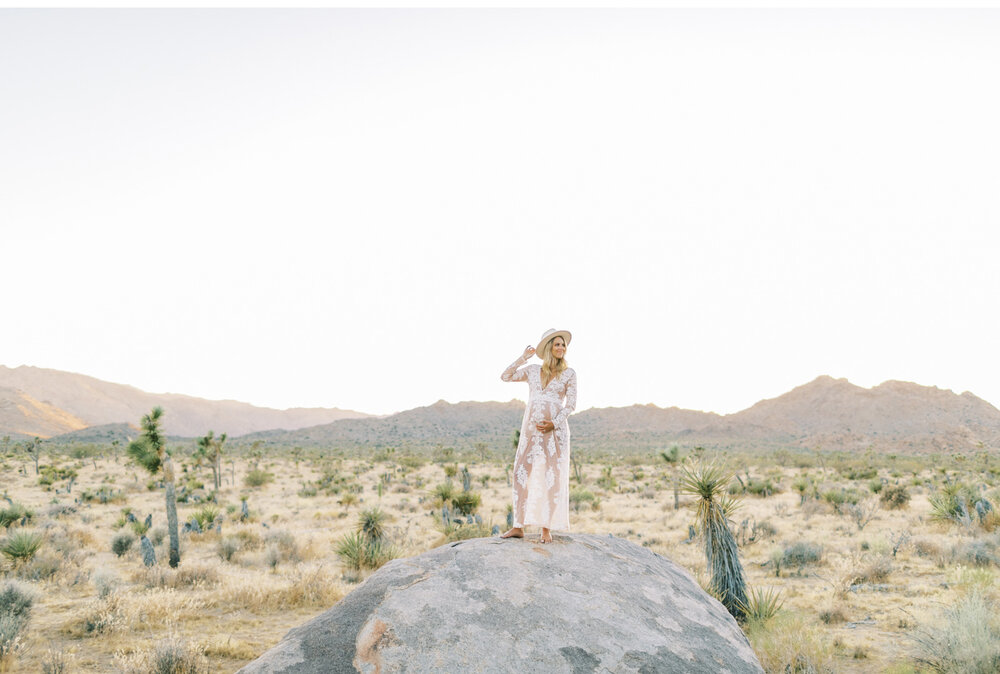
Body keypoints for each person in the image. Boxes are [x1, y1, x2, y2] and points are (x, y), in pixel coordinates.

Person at [499, 328, 577, 544]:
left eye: (564, 345)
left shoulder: (569, 374)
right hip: (531, 431)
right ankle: (518, 526)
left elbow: (570, 404)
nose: (561, 348)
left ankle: (546, 528)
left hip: (556, 432)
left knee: (551, 477)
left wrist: (554, 423)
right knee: (520, 472)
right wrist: (523, 357)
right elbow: (505, 376)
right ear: (548, 347)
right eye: (558, 344)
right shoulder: (533, 370)